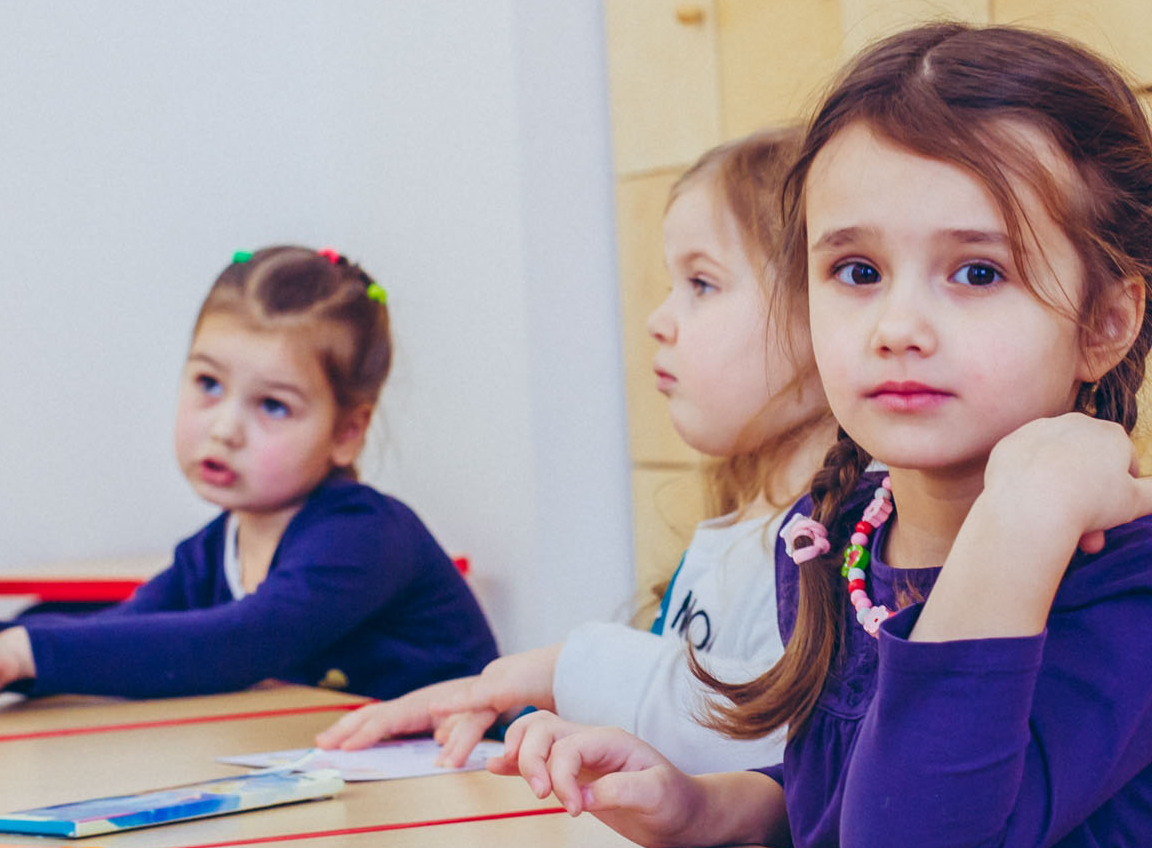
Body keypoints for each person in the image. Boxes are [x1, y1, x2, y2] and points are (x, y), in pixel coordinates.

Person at [492, 24, 1152, 848]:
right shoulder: (836, 536)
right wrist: (706, 808)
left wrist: (1020, 517)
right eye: (856, 272)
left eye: (977, 272)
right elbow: (841, 805)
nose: (897, 325)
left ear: (1106, 322)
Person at [317, 128, 832, 771]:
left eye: (701, 283)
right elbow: (661, 724)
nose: (659, 319)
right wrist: (515, 710)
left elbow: (784, 736)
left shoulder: (832, 548)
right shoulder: (737, 530)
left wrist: (551, 673)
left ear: (826, 312)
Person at [0, 245, 496, 717]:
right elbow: (129, 633)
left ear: (347, 431)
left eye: (274, 406)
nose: (226, 428)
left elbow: (236, 643)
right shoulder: (218, 548)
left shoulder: (362, 536)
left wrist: (17, 655)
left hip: (469, 795)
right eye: (209, 385)